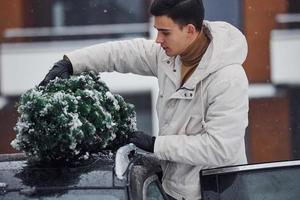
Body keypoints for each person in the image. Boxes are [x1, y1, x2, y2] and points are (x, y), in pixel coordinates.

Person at [40, 0, 249, 199]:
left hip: (218, 194)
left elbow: (220, 148)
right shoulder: (168, 56)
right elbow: (121, 53)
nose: (158, 39)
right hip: (172, 191)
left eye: (165, 32)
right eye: (157, 30)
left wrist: (154, 144)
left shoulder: (228, 79)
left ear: (190, 30)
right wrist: (71, 63)